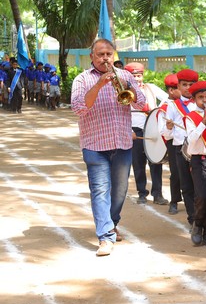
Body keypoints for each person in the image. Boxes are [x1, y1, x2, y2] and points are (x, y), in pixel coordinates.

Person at [71, 38, 146, 256]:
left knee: (120, 191)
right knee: (100, 189)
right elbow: (78, 108)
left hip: (122, 142)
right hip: (94, 144)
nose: (105, 58)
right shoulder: (82, 79)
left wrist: (128, 86)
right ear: (92, 57)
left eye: (108, 54)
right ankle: (105, 236)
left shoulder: (125, 76)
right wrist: (99, 85)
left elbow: (141, 103)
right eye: (100, 54)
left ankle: (112, 223)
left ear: (114, 55)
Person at [125, 62, 169, 206]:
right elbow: (121, 114)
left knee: (156, 162)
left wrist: (158, 111)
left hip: (152, 128)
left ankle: (158, 194)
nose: (137, 79)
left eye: (139, 76)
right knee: (138, 163)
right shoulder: (124, 92)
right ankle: (142, 193)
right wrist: (129, 131)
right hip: (135, 130)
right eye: (133, 76)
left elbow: (167, 98)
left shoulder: (151, 88)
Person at [161, 69, 199, 228]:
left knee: (201, 185)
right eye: (184, 85)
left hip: (198, 149)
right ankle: (193, 219)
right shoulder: (172, 106)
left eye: (191, 84)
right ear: (178, 86)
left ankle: (202, 216)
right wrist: (169, 127)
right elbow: (165, 133)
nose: (188, 88)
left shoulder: (201, 102)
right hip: (180, 149)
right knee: (186, 185)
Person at [184, 80, 206, 248]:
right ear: (194, 99)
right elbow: (191, 139)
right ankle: (197, 225)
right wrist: (203, 122)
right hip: (198, 159)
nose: (205, 100)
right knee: (202, 196)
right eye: (201, 97)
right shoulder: (190, 117)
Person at [157, 74, 183, 215]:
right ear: (171, 90)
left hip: (189, 142)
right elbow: (163, 131)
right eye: (181, 87)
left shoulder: (189, 103)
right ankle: (174, 201)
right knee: (176, 173)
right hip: (173, 143)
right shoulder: (165, 107)